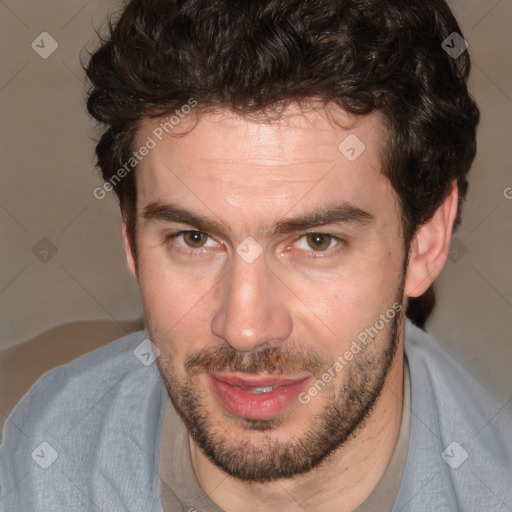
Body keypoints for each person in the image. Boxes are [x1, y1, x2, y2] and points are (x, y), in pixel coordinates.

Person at [1, 0, 511, 510]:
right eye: (194, 239)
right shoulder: (39, 461)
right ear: (131, 241)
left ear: (426, 241)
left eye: (317, 242)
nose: (245, 328)